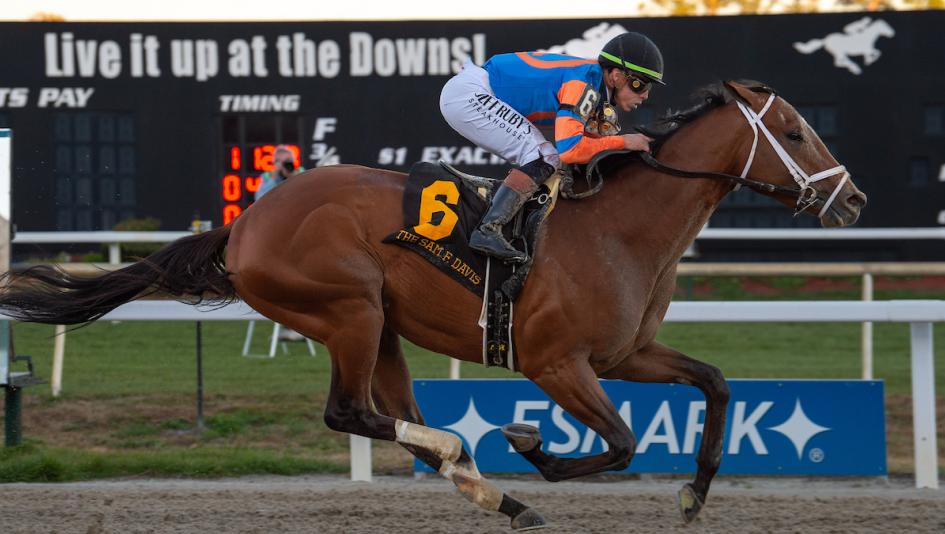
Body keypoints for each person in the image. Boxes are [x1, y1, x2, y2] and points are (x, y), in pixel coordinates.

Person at [440, 32, 665, 263]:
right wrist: (625, 141)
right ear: (616, 75)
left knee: (547, 157)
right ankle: (488, 229)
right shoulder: (584, 85)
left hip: (472, 91)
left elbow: (585, 147)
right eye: (641, 84)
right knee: (544, 156)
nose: (645, 95)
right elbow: (570, 150)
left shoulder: (593, 82)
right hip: (471, 95)